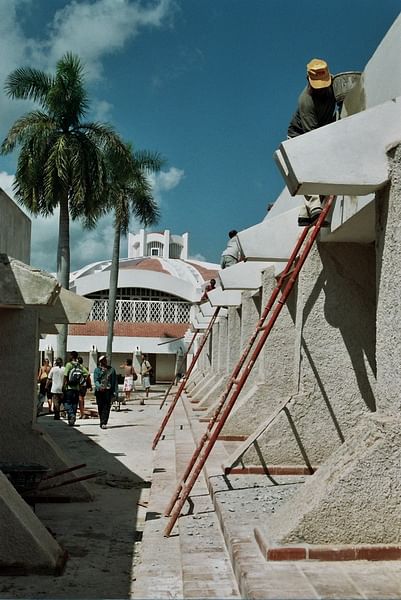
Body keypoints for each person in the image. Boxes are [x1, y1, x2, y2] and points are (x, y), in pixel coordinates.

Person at [287, 58, 336, 226]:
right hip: (301, 136)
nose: (322, 90)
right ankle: (314, 208)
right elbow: (312, 139)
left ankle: (304, 215)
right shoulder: (306, 101)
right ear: (308, 79)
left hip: (321, 130)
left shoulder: (334, 85)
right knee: (310, 166)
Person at [63, 350, 89, 427]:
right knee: (74, 403)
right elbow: (86, 374)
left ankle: (71, 415)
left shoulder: (69, 365)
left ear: (71, 356)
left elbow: (65, 375)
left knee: (67, 402)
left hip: (69, 387)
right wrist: (81, 383)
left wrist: (64, 385)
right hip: (77, 388)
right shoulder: (79, 365)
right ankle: (72, 420)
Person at [94, 355, 118, 429]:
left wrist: (115, 392)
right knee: (100, 406)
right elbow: (96, 380)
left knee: (107, 406)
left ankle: (104, 422)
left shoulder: (111, 370)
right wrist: (99, 386)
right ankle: (101, 419)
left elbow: (114, 382)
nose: (104, 361)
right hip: (99, 391)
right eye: (103, 360)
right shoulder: (97, 370)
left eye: (105, 360)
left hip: (108, 391)